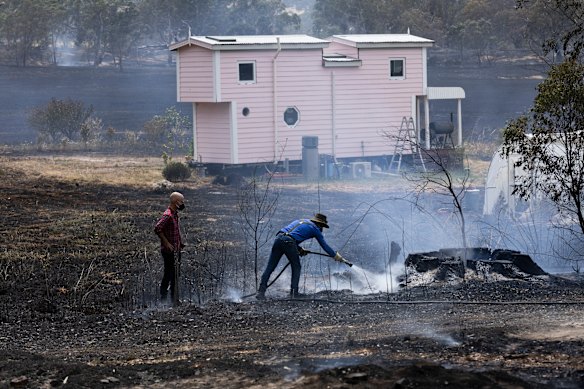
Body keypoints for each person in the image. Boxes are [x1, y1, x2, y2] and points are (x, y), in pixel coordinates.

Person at [256, 213, 348, 300]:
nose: (322, 229)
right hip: (289, 242)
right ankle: (294, 293)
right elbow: (325, 246)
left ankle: (261, 292)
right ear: (319, 224)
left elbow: (289, 235)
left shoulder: (300, 221)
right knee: (296, 266)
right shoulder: (315, 229)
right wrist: (335, 256)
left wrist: (299, 249)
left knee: (270, 267)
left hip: (278, 239)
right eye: (322, 226)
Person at [154, 191, 185, 301]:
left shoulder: (175, 214)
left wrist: (180, 243)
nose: (183, 204)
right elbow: (158, 228)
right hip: (168, 251)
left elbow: (174, 231)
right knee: (168, 274)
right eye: (181, 202)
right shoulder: (168, 215)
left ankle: (174, 298)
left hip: (176, 249)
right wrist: (166, 243)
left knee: (176, 275)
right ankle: (163, 298)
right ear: (176, 202)